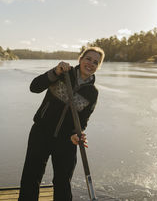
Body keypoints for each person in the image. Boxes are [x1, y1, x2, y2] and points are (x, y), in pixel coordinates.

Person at [18, 47, 105, 201]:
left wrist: (76, 134)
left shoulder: (93, 92)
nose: (91, 63)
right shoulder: (62, 73)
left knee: (63, 183)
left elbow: (83, 120)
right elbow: (34, 87)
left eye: (96, 62)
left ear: (98, 67)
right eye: (88, 59)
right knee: (31, 177)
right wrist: (55, 72)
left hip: (66, 141)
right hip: (41, 133)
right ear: (80, 59)